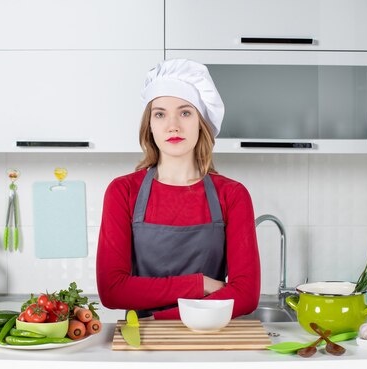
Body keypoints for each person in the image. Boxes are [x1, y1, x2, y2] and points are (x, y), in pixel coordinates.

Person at [96, 59, 260, 319]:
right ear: (149, 125)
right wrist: (201, 284)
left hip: (207, 337)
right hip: (142, 345)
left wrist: (161, 319)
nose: (172, 125)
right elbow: (112, 290)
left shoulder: (233, 195)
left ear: (201, 122)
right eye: (160, 114)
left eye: (185, 112)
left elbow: (246, 295)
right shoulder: (122, 192)